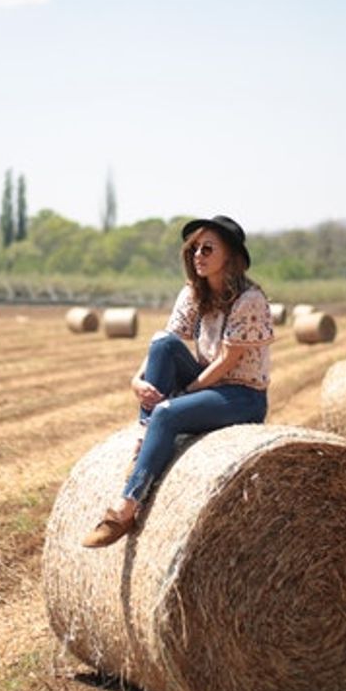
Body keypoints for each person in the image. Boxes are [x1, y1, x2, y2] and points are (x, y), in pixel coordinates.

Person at [82, 215, 274, 548]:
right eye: (194, 249)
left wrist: (182, 396)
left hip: (243, 396)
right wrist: (136, 380)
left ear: (230, 255)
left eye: (208, 248)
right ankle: (144, 441)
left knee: (168, 414)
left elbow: (228, 361)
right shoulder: (193, 293)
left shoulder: (250, 300)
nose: (198, 254)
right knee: (162, 344)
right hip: (208, 383)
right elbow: (170, 338)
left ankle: (126, 508)